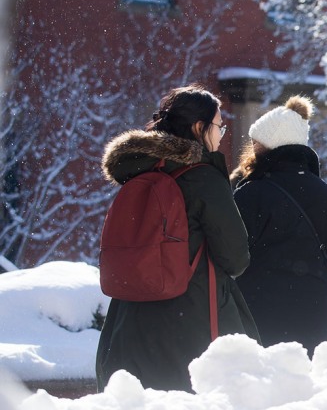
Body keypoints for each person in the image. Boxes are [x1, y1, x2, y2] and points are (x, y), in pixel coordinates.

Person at [96, 84, 260, 392]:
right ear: (199, 127)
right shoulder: (202, 177)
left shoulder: (137, 172)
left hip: (128, 325)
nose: (220, 135)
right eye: (218, 127)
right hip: (190, 326)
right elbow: (235, 256)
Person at [231, 96, 327, 358]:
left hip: (259, 313)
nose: (252, 148)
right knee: (303, 389)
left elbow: (230, 256)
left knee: (262, 390)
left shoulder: (251, 193)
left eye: (256, 142)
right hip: (313, 315)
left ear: (269, 146)